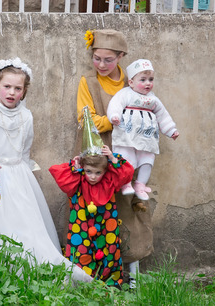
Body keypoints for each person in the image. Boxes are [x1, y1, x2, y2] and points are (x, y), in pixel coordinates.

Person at [0, 57, 93, 283]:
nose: (12, 92)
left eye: (18, 88)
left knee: (27, 224)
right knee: (1, 223)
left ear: (24, 92)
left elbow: (25, 149)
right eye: (7, 87)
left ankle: (35, 268)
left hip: (19, 175)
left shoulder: (26, 116)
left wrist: (21, 174)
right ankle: (1, 270)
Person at [75, 29, 153, 289]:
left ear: (121, 56)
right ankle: (95, 274)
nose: (101, 65)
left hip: (129, 153)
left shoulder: (130, 82)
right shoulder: (88, 82)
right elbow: (85, 119)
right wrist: (118, 121)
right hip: (99, 154)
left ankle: (132, 270)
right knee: (95, 212)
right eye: (97, 58)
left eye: (108, 59)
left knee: (128, 208)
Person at [49, 107, 134, 287]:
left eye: (98, 172)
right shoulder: (78, 179)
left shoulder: (109, 180)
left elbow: (126, 173)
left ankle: (109, 283)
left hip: (106, 226)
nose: (93, 176)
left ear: (105, 171)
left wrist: (111, 158)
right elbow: (60, 176)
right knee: (81, 251)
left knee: (108, 249)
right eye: (89, 171)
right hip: (82, 228)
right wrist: (75, 165)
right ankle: (82, 283)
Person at [107, 59, 179, 201]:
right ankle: (126, 183)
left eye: (151, 79)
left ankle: (140, 185)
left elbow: (162, 115)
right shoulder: (125, 94)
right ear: (131, 82)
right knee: (126, 159)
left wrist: (171, 130)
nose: (148, 83)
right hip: (127, 135)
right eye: (143, 79)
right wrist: (114, 116)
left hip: (147, 137)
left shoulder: (153, 99)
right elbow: (115, 104)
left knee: (147, 160)